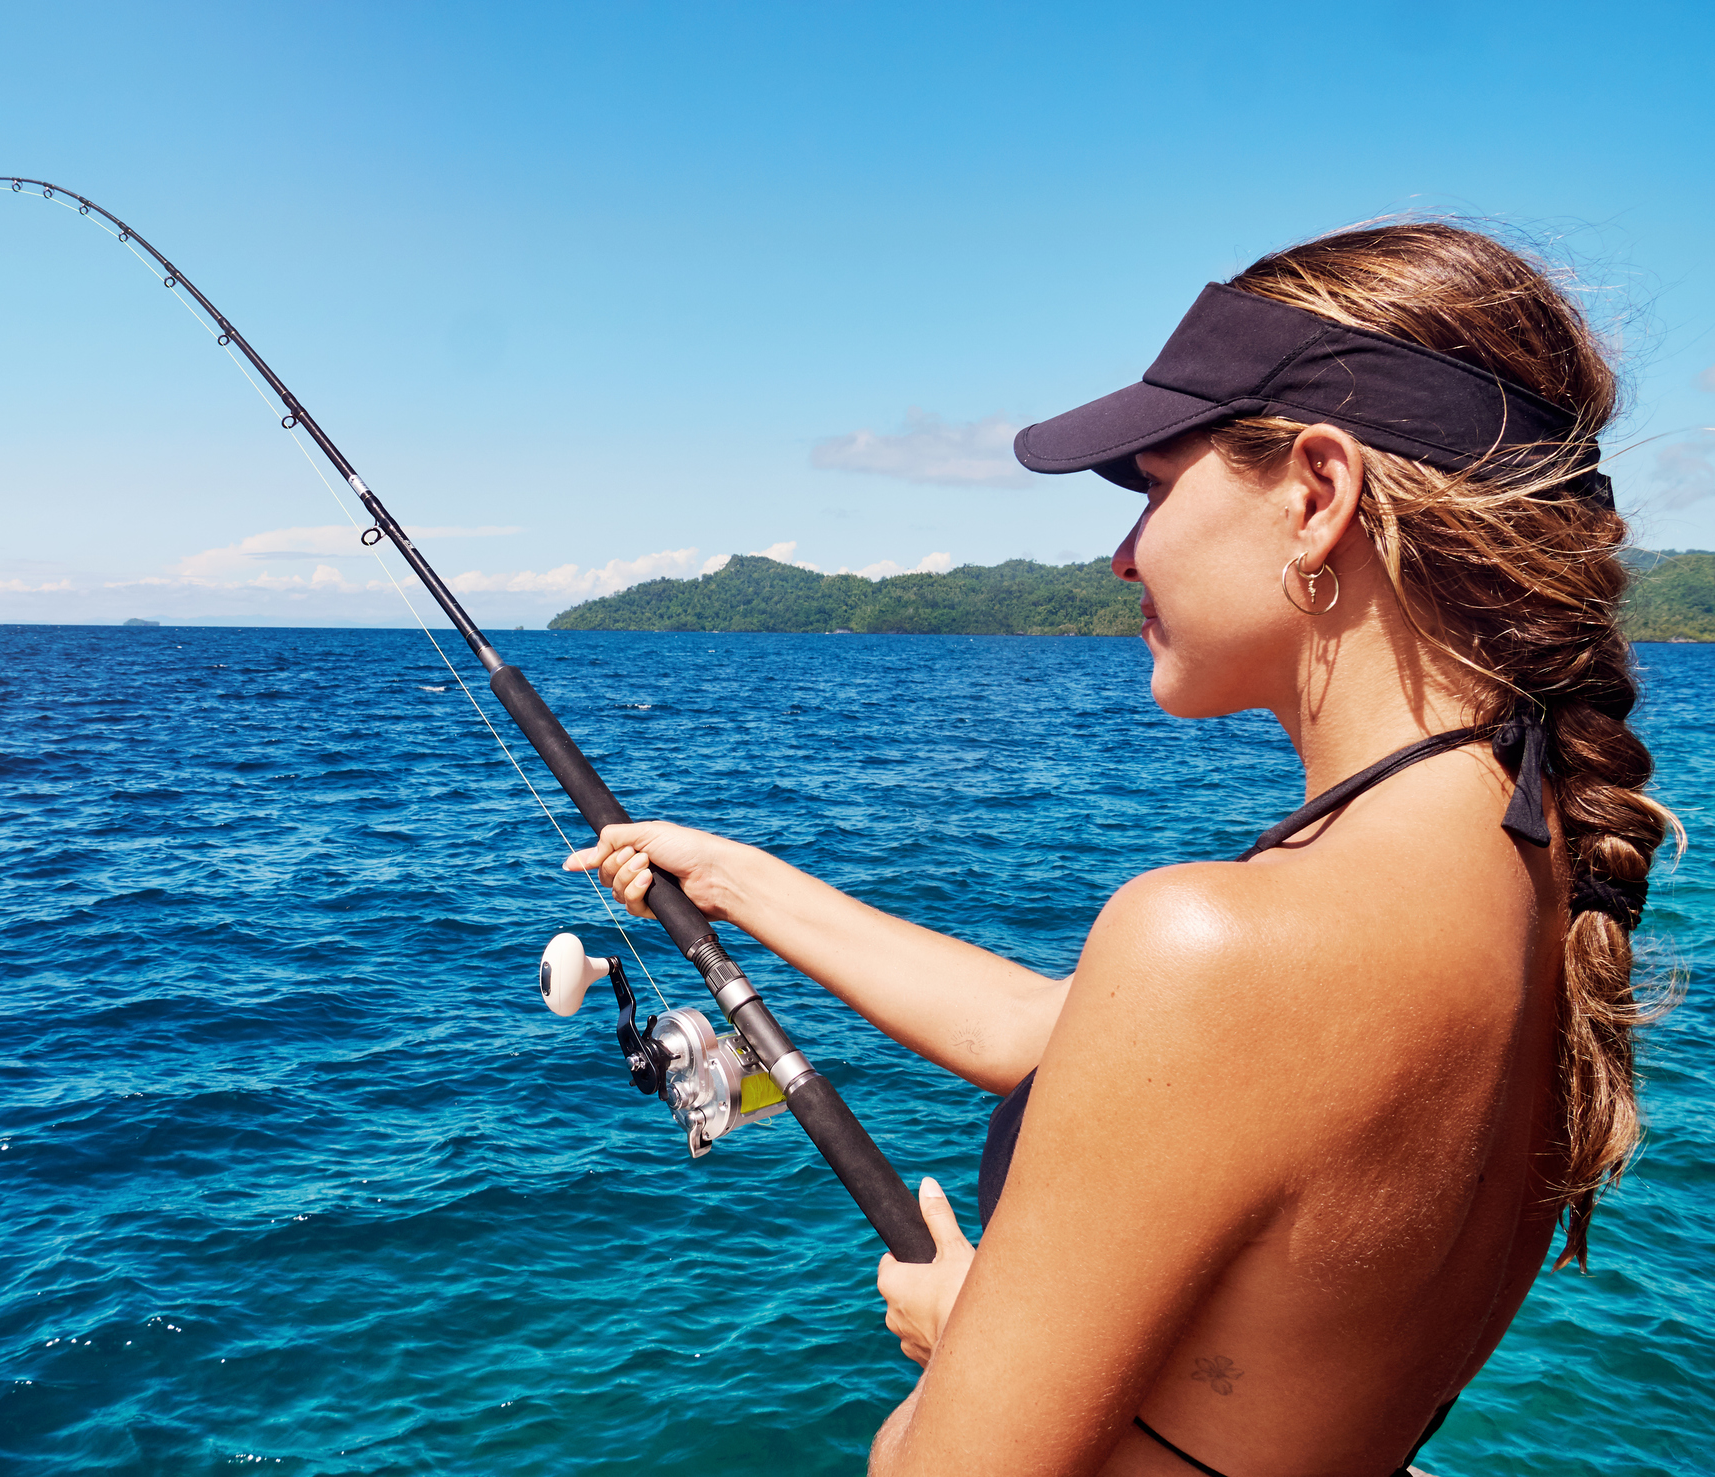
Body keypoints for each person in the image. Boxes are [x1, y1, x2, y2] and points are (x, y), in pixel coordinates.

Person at [566, 221, 1677, 1476]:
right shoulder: (1530, 873)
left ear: (1318, 494)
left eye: (1152, 484)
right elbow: (1078, 1037)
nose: (1119, 551)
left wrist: (972, 1348)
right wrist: (726, 879)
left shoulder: (1218, 946)